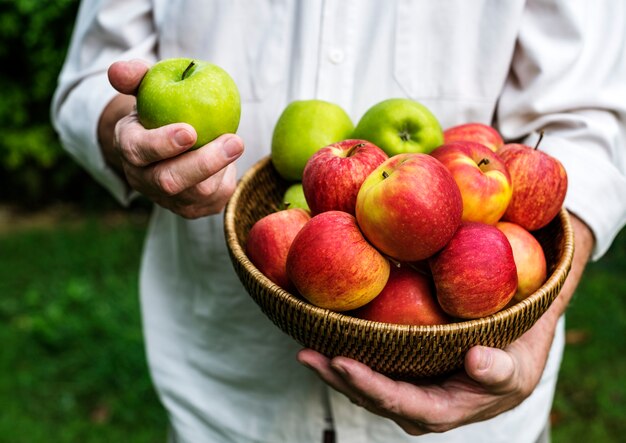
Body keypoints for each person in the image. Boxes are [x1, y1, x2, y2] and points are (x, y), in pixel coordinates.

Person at [52, 1, 626, 442]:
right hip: (225, 395)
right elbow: (89, 81)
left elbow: (594, 114)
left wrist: (536, 322)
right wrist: (127, 136)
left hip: (475, 404)